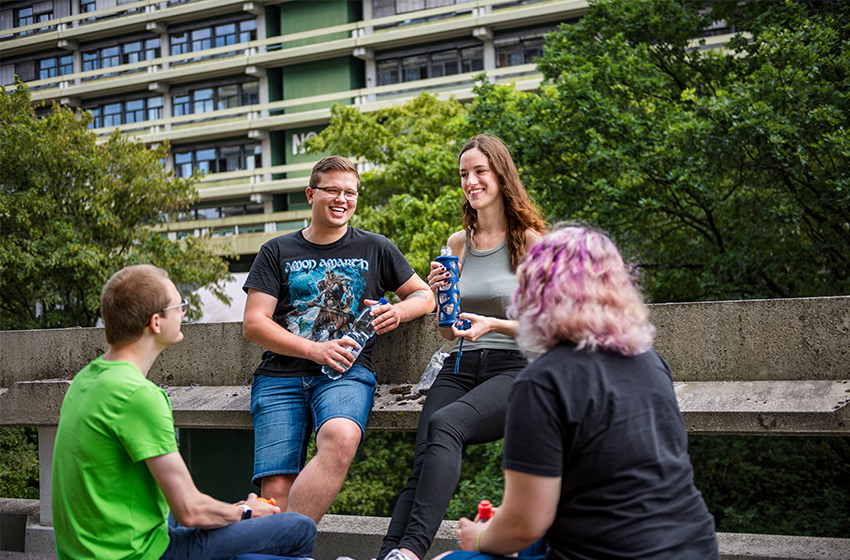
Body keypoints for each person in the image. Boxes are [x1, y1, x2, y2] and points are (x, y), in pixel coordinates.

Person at [446, 226, 720, 560]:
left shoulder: (541, 383)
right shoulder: (650, 362)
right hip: (696, 548)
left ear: (536, 292)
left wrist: (478, 538)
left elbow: (523, 526)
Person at [52, 264, 317, 560]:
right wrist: (245, 511)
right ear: (156, 322)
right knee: (299, 527)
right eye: (179, 306)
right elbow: (189, 511)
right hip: (139, 554)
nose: (183, 313)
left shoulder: (86, 379)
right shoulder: (138, 396)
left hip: (92, 548)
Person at [379, 135, 546, 560]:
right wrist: (442, 300)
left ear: (501, 176)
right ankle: (389, 555)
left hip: (515, 368)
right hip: (461, 364)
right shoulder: (458, 243)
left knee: (447, 424)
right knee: (424, 455)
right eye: (464, 175)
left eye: (479, 172)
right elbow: (448, 334)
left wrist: (493, 323)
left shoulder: (530, 242)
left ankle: (412, 552)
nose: (470, 182)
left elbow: (551, 325)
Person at [242, 156, 434, 523]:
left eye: (350, 192)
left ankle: (281, 540)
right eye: (332, 190)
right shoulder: (276, 250)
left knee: (342, 437)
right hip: (280, 376)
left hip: (347, 372)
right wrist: (315, 349)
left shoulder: (376, 247)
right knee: (277, 487)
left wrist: (398, 311)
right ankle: (286, 545)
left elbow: (424, 296)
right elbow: (254, 324)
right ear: (311, 194)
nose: (341, 199)